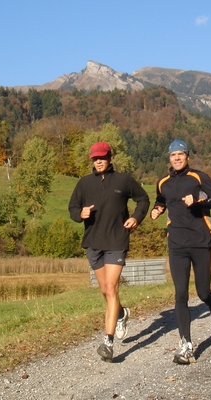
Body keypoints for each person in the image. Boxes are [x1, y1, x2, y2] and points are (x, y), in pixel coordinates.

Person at [68, 141, 150, 362]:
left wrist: (136, 217)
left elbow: (143, 199)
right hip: (93, 242)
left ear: (110, 158)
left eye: (102, 158)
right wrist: (80, 214)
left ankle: (108, 342)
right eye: (95, 159)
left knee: (112, 287)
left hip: (116, 241)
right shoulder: (84, 183)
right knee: (105, 290)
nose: (98, 162)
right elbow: (72, 208)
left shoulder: (123, 180)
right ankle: (121, 313)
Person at [150, 139, 211, 364]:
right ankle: (186, 344)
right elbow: (161, 200)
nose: (177, 158)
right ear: (169, 158)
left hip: (200, 241)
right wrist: (157, 209)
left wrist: (198, 201)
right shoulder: (163, 182)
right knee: (181, 294)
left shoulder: (198, 177)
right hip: (176, 243)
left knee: (203, 292)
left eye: (180, 154)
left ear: (187, 157)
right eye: (173, 155)